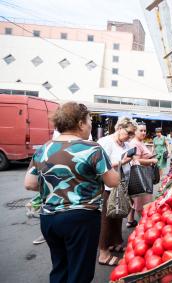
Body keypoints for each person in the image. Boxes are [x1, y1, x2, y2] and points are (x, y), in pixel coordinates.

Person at [24, 102, 120, 283]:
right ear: (80, 123)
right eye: (89, 120)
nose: (91, 124)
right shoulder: (92, 148)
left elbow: (30, 183)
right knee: (79, 272)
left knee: (60, 268)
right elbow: (113, 181)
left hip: (49, 219)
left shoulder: (44, 148)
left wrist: (57, 184)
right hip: (81, 219)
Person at [97, 116, 138, 265]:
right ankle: (103, 252)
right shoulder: (104, 142)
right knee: (107, 218)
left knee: (118, 214)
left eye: (133, 134)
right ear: (120, 128)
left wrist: (133, 160)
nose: (131, 137)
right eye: (129, 133)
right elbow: (100, 166)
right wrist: (122, 162)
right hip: (108, 186)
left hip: (122, 186)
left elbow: (128, 162)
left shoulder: (126, 145)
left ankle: (115, 242)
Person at [127, 123, 158, 227]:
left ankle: (130, 220)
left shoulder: (140, 142)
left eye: (145, 131)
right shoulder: (135, 143)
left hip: (142, 174)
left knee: (134, 199)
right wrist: (152, 160)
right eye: (141, 130)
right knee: (142, 202)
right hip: (141, 175)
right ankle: (144, 226)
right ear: (135, 131)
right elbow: (135, 160)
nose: (143, 133)